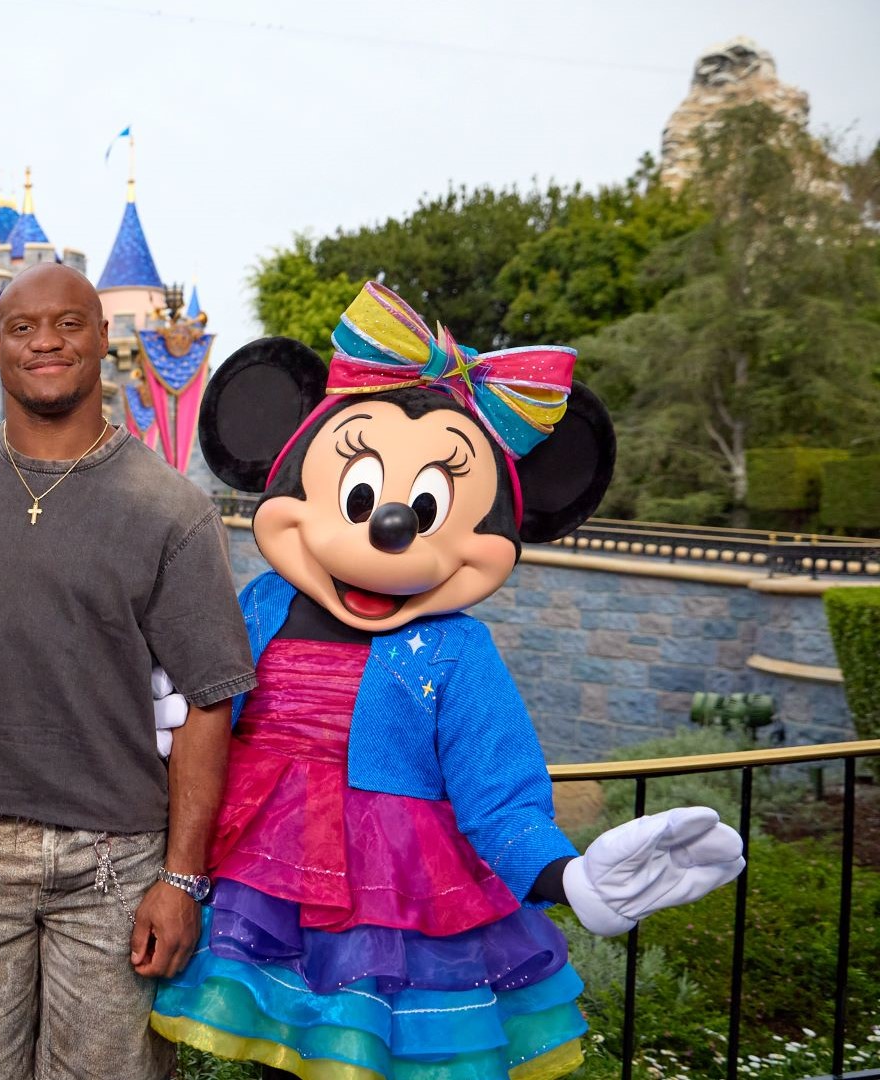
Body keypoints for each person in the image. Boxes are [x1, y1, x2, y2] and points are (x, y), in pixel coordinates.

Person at [151, 282, 744, 1078]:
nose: (388, 526)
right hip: (256, 877)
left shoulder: (456, 650)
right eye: (362, 496)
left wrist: (570, 877)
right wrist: (157, 713)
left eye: (425, 507)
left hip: (387, 903)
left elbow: (498, 792)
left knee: (359, 1052)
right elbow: (207, 707)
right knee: (272, 1059)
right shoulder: (261, 604)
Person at [0, 261, 257, 1080]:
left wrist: (183, 879)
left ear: (103, 339)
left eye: (69, 324)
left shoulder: (168, 509)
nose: (45, 340)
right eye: (22, 327)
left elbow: (208, 702)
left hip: (117, 864)